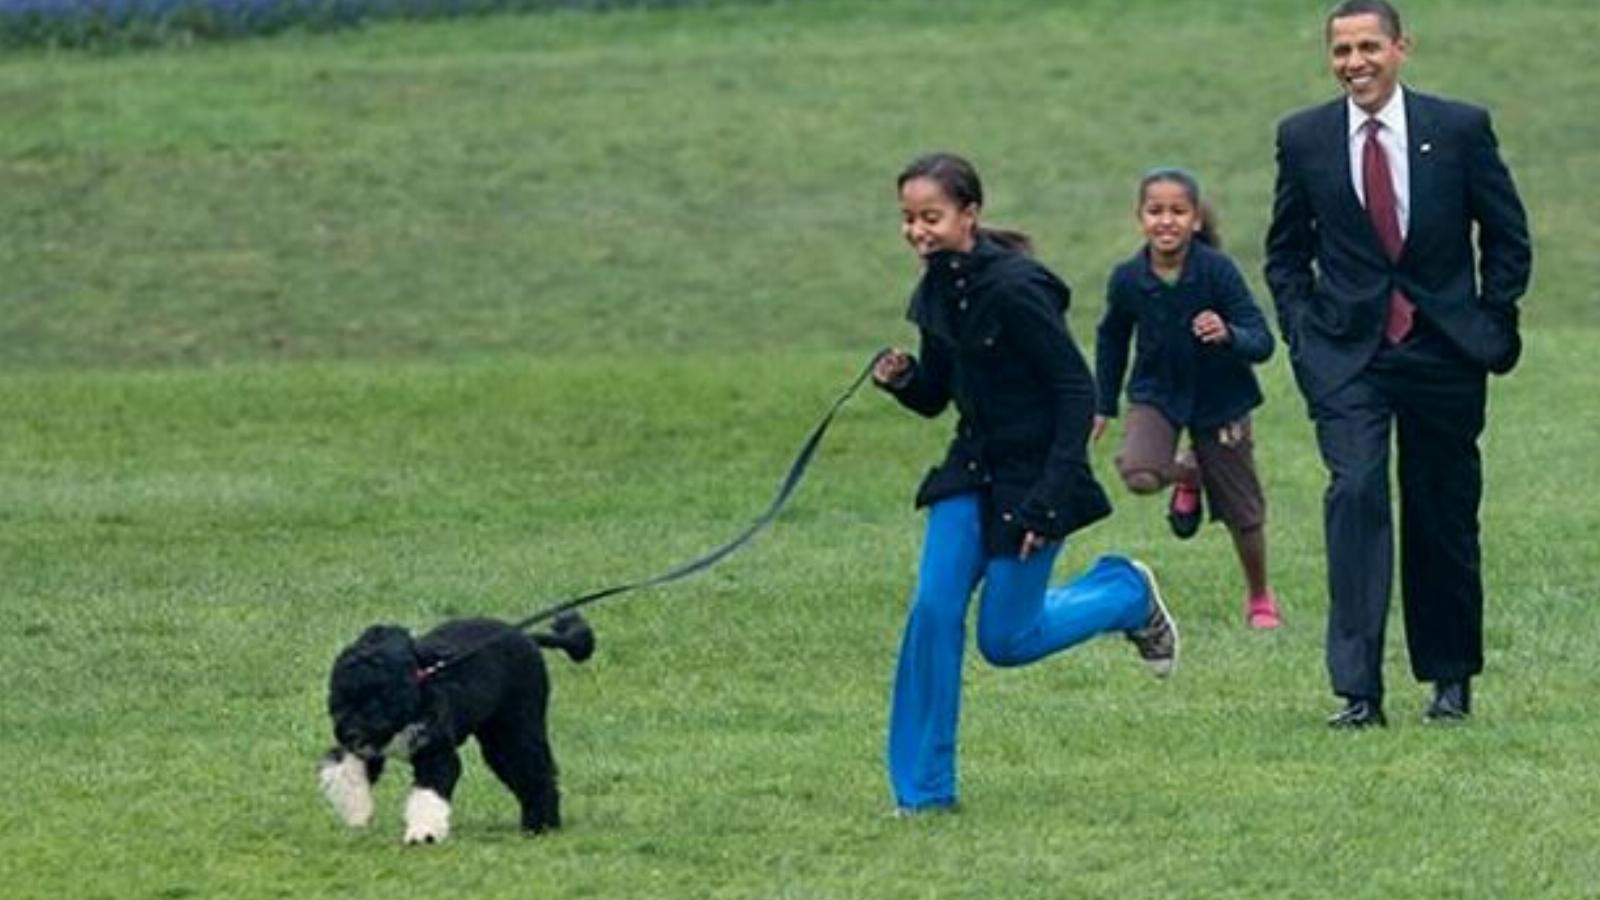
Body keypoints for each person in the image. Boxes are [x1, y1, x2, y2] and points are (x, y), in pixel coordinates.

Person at [872, 151, 1177, 815]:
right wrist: (902, 380)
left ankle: (1124, 592)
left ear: (969, 214)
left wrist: (1049, 498)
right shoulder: (934, 288)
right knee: (932, 612)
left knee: (1006, 642)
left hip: (1031, 480)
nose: (917, 230)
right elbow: (935, 396)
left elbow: (1076, 390)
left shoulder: (1015, 289)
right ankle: (923, 794)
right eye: (908, 218)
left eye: (931, 216)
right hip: (970, 472)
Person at [1264, 0, 1531, 727]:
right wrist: (1303, 334)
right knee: (1354, 496)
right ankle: (1359, 693)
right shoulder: (1305, 137)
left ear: (1401, 48)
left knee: (1441, 510)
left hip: (1444, 350)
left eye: (1369, 47)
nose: (1355, 63)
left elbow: (1506, 236)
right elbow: (1285, 252)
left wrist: (1492, 321)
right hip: (1349, 355)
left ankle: (1450, 682)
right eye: (1342, 50)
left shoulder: (1459, 128)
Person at [1093, 168, 1282, 630]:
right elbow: (1111, 340)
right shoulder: (1128, 279)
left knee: (1243, 512)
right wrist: (1103, 404)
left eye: (1178, 211)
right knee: (1138, 473)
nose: (1166, 221)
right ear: (1140, 218)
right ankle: (1191, 473)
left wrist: (1228, 333)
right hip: (1157, 393)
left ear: (1196, 220)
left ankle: (1259, 597)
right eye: (1155, 211)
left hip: (1222, 397)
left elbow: (1262, 340)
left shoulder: (1217, 271)